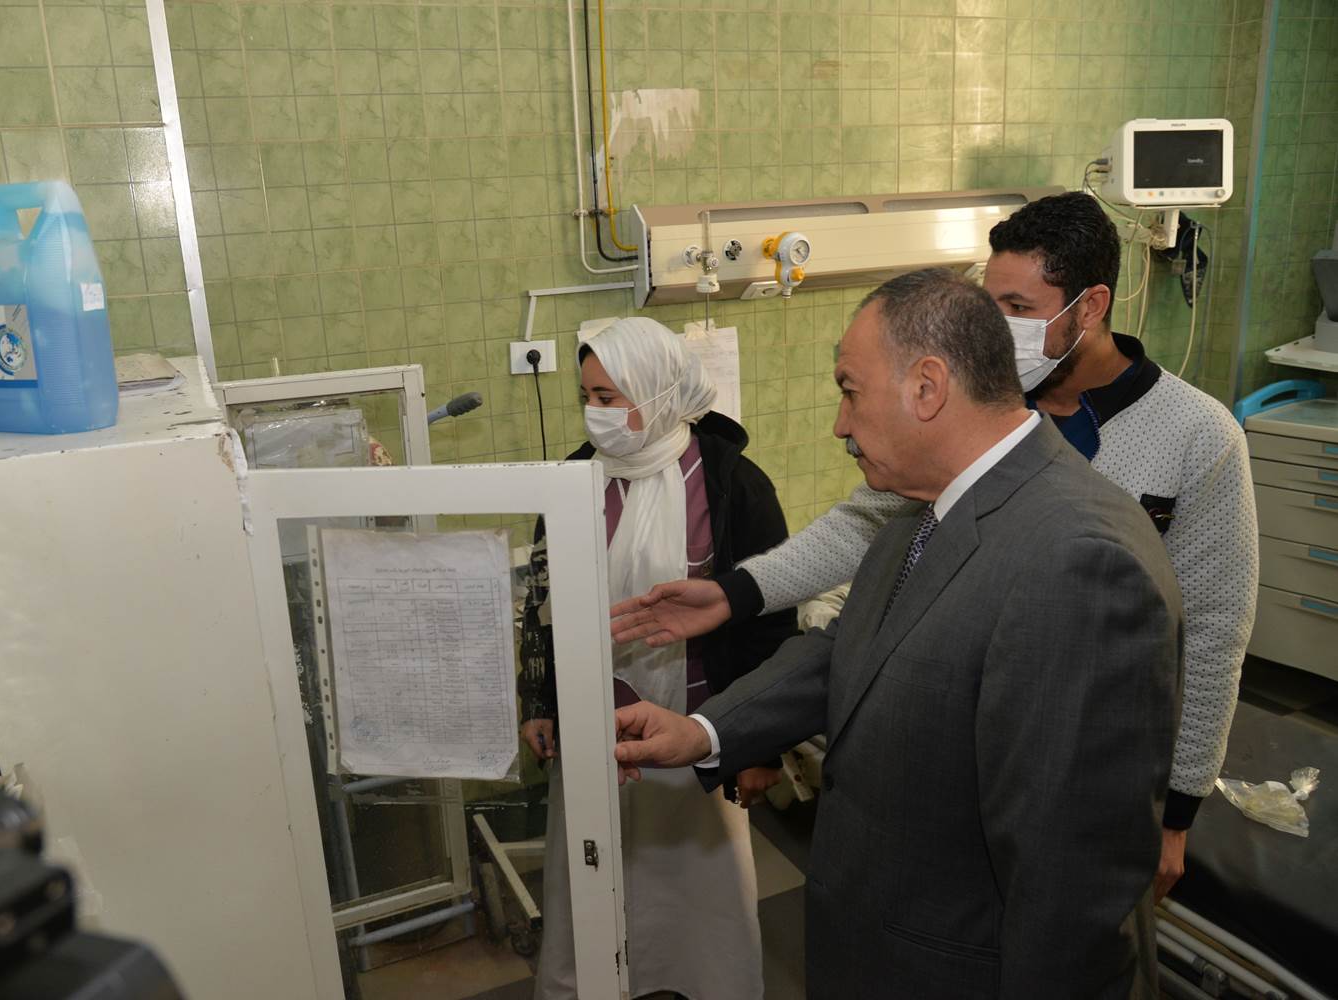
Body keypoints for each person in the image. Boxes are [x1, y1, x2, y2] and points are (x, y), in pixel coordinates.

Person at [609, 191, 1258, 900]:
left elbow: (1215, 629)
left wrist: (1177, 810)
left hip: (1084, 755)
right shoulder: (987, 409)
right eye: (990, 303)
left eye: (1018, 307)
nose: (997, 328)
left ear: (1092, 306)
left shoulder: (1196, 439)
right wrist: (735, 594)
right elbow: (866, 527)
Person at [613, 268, 1184, 999]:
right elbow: (849, 650)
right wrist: (704, 731)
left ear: (927, 387)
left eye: (850, 391)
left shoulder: (1079, 563)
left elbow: (1071, 892)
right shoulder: (922, 514)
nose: (840, 424)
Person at [517, 316, 797, 1000]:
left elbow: (769, 617)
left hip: (695, 726)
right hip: (594, 723)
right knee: (593, 873)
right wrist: (541, 702)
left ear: (657, 391)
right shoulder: (575, 480)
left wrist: (758, 745)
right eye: (587, 397)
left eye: (608, 397)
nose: (595, 414)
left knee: (700, 893)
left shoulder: (733, 485)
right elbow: (544, 600)